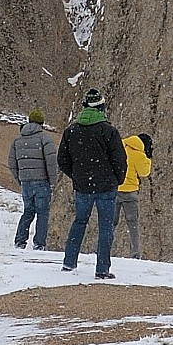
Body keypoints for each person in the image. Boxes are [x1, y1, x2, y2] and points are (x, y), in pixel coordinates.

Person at [57, 87, 127, 278]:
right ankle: (102, 269)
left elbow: (62, 160)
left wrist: (77, 175)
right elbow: (120, 160)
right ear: (101, 107)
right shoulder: (109, 131)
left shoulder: (71, 131)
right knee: (105, 227)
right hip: (106, 186)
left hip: (83, 187)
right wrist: (117, 180)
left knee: (79, 222)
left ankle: (69, 262)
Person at [9, 109, 57, 249]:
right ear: (42, 123)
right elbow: (51, 162)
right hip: (42, 181)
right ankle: (39, 244)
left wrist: (20, 179)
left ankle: (20, 241)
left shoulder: (17, 140)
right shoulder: (45, 138)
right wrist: (52, 181)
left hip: (26, 182)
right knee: (42, 213)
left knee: (28, 211)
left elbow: (12, 163)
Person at [116, 130, 152, 259]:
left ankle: (103, 250)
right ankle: (135, 253)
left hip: (115, 190)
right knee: (133, 224)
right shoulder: (139, 155)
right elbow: (144, 172)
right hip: (130, 192)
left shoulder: (119, 147)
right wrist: (148, 158)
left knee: (109, 223)